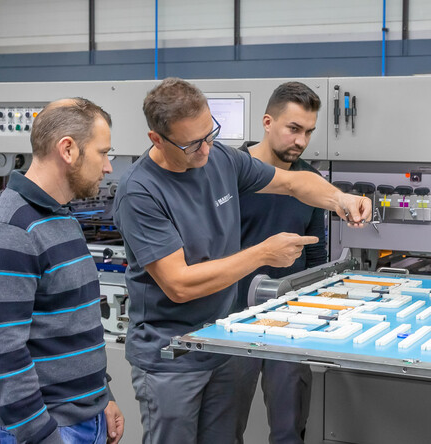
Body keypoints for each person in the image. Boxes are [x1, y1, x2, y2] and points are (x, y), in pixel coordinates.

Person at [112, 77, 371, 444]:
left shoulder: (219, 159)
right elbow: (179, 283)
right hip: (172, 355)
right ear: (157, 139)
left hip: (223, 342)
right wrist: (262, 254)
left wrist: (340, 200)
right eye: (192, 143)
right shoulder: (141, 192)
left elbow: (295, 184)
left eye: (210, 133)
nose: (205, 150)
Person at [0, 98, 124, 444]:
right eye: (102, 153)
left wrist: (101, 397)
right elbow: (2, 358)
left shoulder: (60, 216)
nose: (108, 167)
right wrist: (42, 437)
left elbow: (75, 325)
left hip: (83, 419)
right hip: (40, 430)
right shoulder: (6, 230)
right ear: (68, 149)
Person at [232, 82, 327, 444]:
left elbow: (315, 254)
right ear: (267, 122)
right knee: (224, 429)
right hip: (232, 322)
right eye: (293, 129)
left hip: (290, 323)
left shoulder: (311, 181)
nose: (301, 141)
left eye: (308, 132)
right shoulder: (232, 175)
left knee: (289, 431)